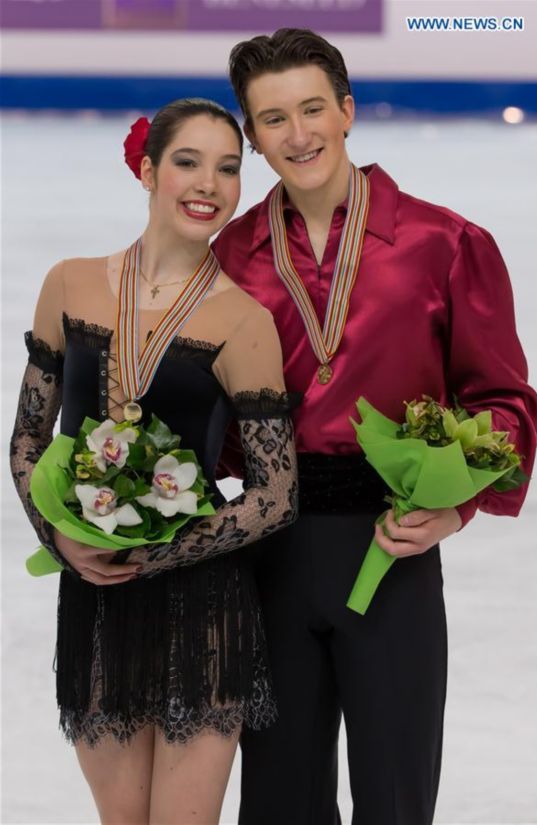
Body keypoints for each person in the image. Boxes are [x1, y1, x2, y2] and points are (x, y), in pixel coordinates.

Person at [210, 29, 537, 825]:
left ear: (348, 110)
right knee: (280, 798)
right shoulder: (231, 256)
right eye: (274, 118)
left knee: (396, 795)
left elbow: (501, 398)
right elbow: (204, 415)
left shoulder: (444, 243)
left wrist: (454, 507)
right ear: (252, 137)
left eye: (314, 108)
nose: (300, 134)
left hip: (392, 547)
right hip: (271, 553)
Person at [10, 98, 299, 825]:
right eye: (188, 162)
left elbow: (276, 493)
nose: (210, 184)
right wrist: (61, 538)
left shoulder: (243, 319)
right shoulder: (69, 284)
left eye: (229, 169)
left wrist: (159, 554)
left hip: (203, 605)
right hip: (97, 601)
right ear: (147, 170)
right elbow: (28, 440)